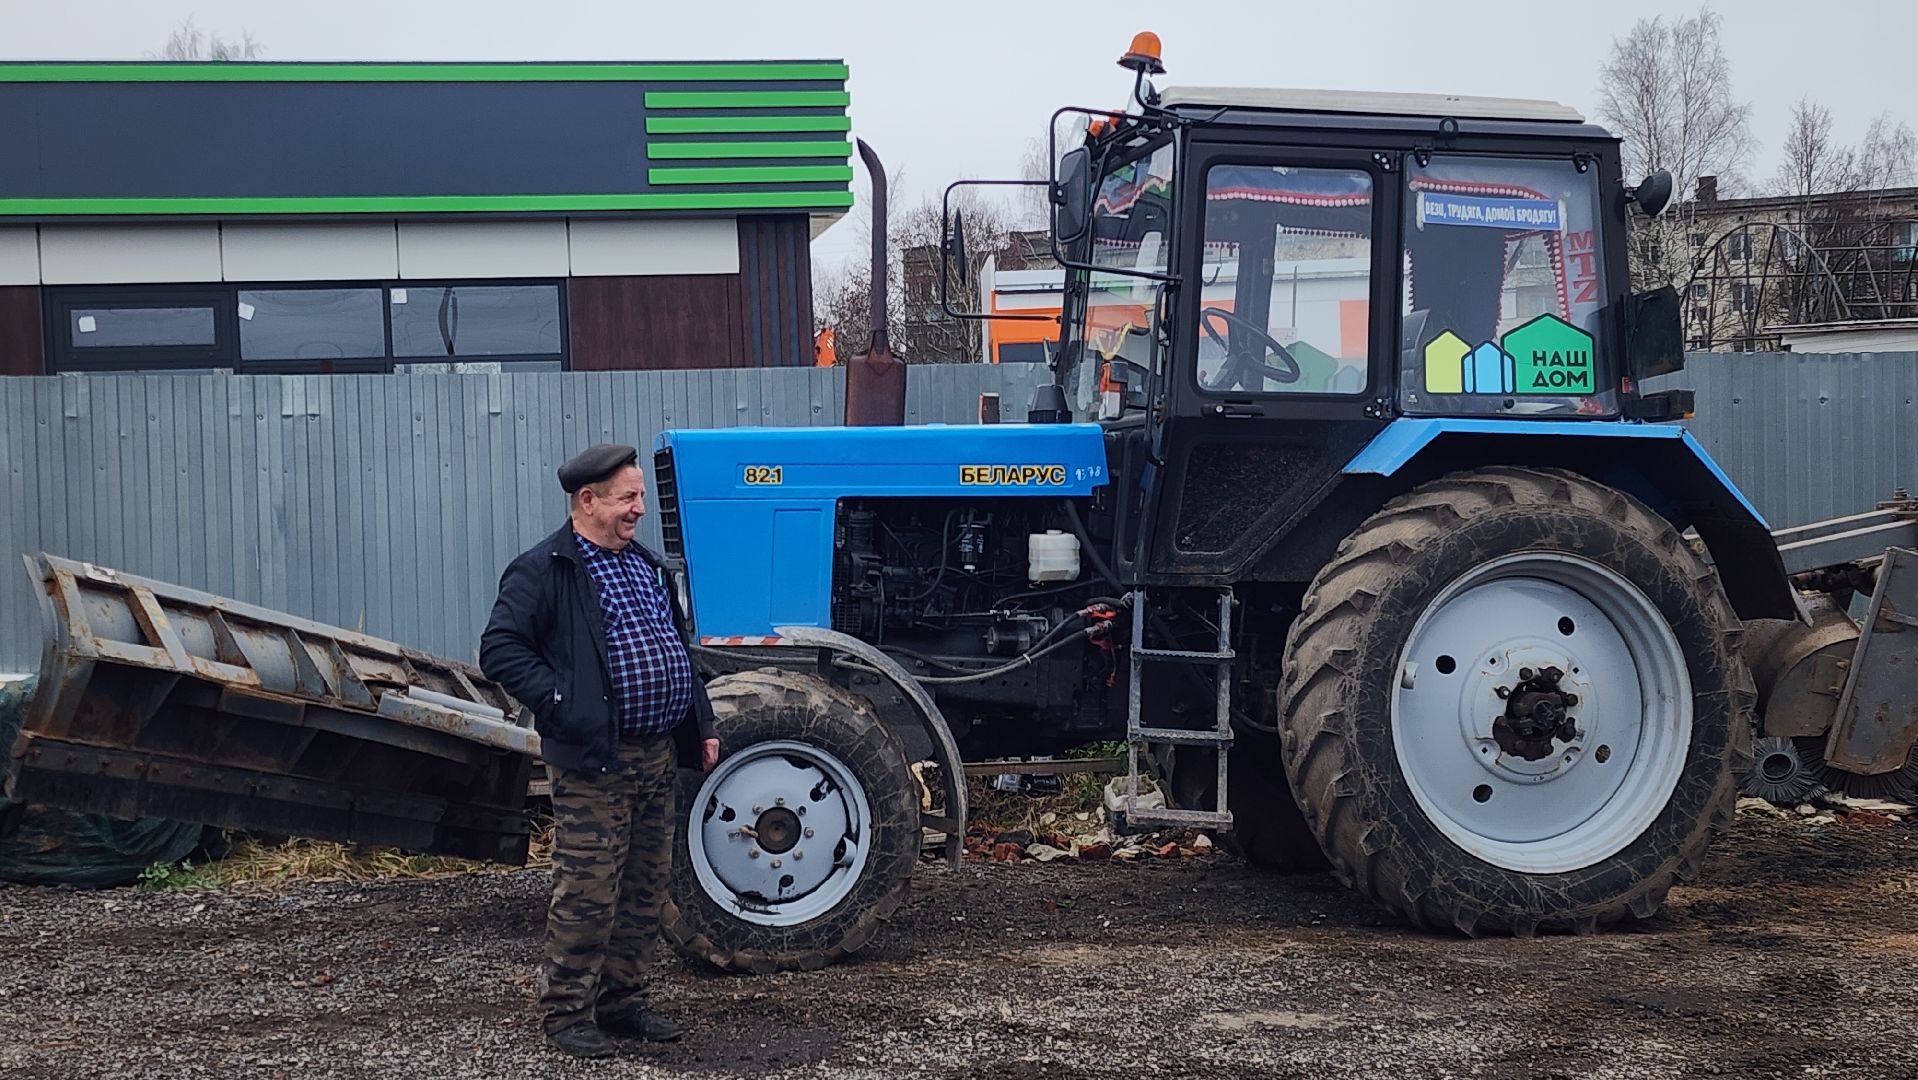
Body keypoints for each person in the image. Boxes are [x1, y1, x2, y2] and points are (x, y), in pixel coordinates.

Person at [480, 443, 720, 1059]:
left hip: (656, 755)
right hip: (594, 761)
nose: (640, 508)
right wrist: (563, 704)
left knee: (644, 889)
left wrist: (702, 722)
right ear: (587, 501)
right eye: (628, 498)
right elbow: (501, 649)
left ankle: (623, 1002)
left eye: (640, 495)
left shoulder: (645, 566)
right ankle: (567, 1016)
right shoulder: (544, 569)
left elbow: (678, 650)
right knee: (588, 891)